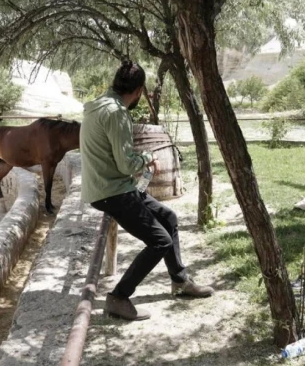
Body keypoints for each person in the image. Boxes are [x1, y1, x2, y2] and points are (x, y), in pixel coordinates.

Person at [79, 60, 214, 321]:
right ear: (139, 89)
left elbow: (116, 156)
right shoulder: (117, 113)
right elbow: (126, 164)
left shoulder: (98, 106)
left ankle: (180, 280)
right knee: (160, 241)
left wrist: (136, 157)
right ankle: (119, 297)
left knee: (169, 219)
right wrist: (147, 157)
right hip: (112, 191)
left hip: (110, 186)